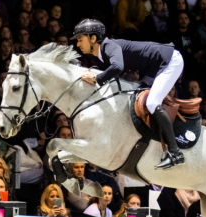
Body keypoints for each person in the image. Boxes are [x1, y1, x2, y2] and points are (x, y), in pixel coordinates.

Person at [71, 19, 191, 169]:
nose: (78, 44)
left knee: (152, 103)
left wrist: (96, 79)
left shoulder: (109, 45)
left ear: (93, 38)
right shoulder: (97, 56)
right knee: (133, 100)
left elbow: (117, 66)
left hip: (169, 61)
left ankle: (175, 152)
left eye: (80, 39)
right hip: (152, 69)